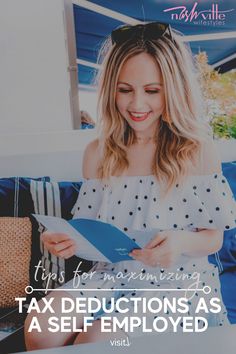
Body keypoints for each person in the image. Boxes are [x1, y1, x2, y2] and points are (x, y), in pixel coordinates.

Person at [25, 22, 235, 350]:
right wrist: (60, 239)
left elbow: (214, 239)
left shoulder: (198, 150)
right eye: (125, 90)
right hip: (110, 276)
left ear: (174, 89)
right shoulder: (98, 152)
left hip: (178, 284)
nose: (137, 104)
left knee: (96, 339)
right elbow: (88, 233)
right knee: (42, 326)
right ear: (112, 90)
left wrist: (178, 242)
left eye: (152, 91)